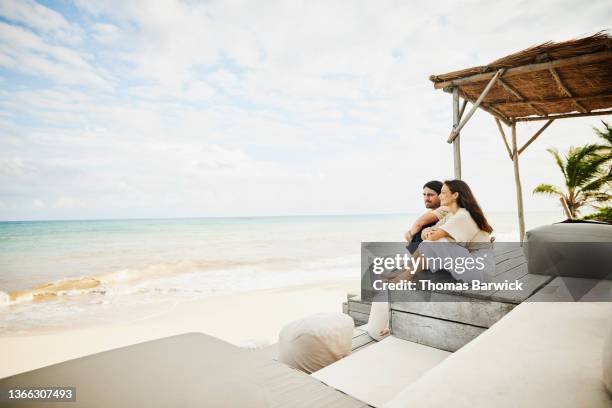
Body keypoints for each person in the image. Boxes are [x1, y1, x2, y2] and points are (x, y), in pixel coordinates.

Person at [368, 179, 494, 340]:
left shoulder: (463, 215)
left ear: (455, 195)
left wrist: (430, 233)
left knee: (435, 242)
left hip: (479, 270)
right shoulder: (451, 215)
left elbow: (434, 236)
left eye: (442, 192)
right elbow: (426, 232)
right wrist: (428, 232)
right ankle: (405, 274)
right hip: (469, 265)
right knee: (431, 243)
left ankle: (405, 276)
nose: (440, 196)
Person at [404, 181, 449, 253]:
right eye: (424, 195)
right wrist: (410, 233)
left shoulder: (446, 208)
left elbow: (419, 223)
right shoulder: (431, 212)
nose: (426, 198)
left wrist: (410, 235)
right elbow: (416, 227)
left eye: (430, 195)